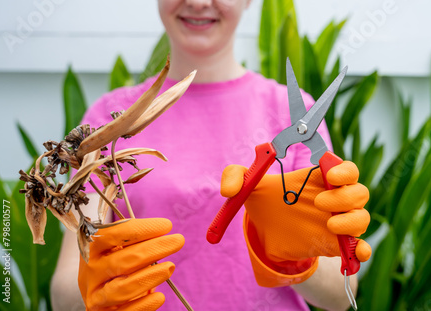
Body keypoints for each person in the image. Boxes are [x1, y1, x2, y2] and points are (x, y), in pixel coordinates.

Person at [50, 0, 371, 310]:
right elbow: (64, 297)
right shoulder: (109, 120)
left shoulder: (290, 111)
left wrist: (288, 254)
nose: (199, 2)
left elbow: (341, 296)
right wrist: (97, 282)